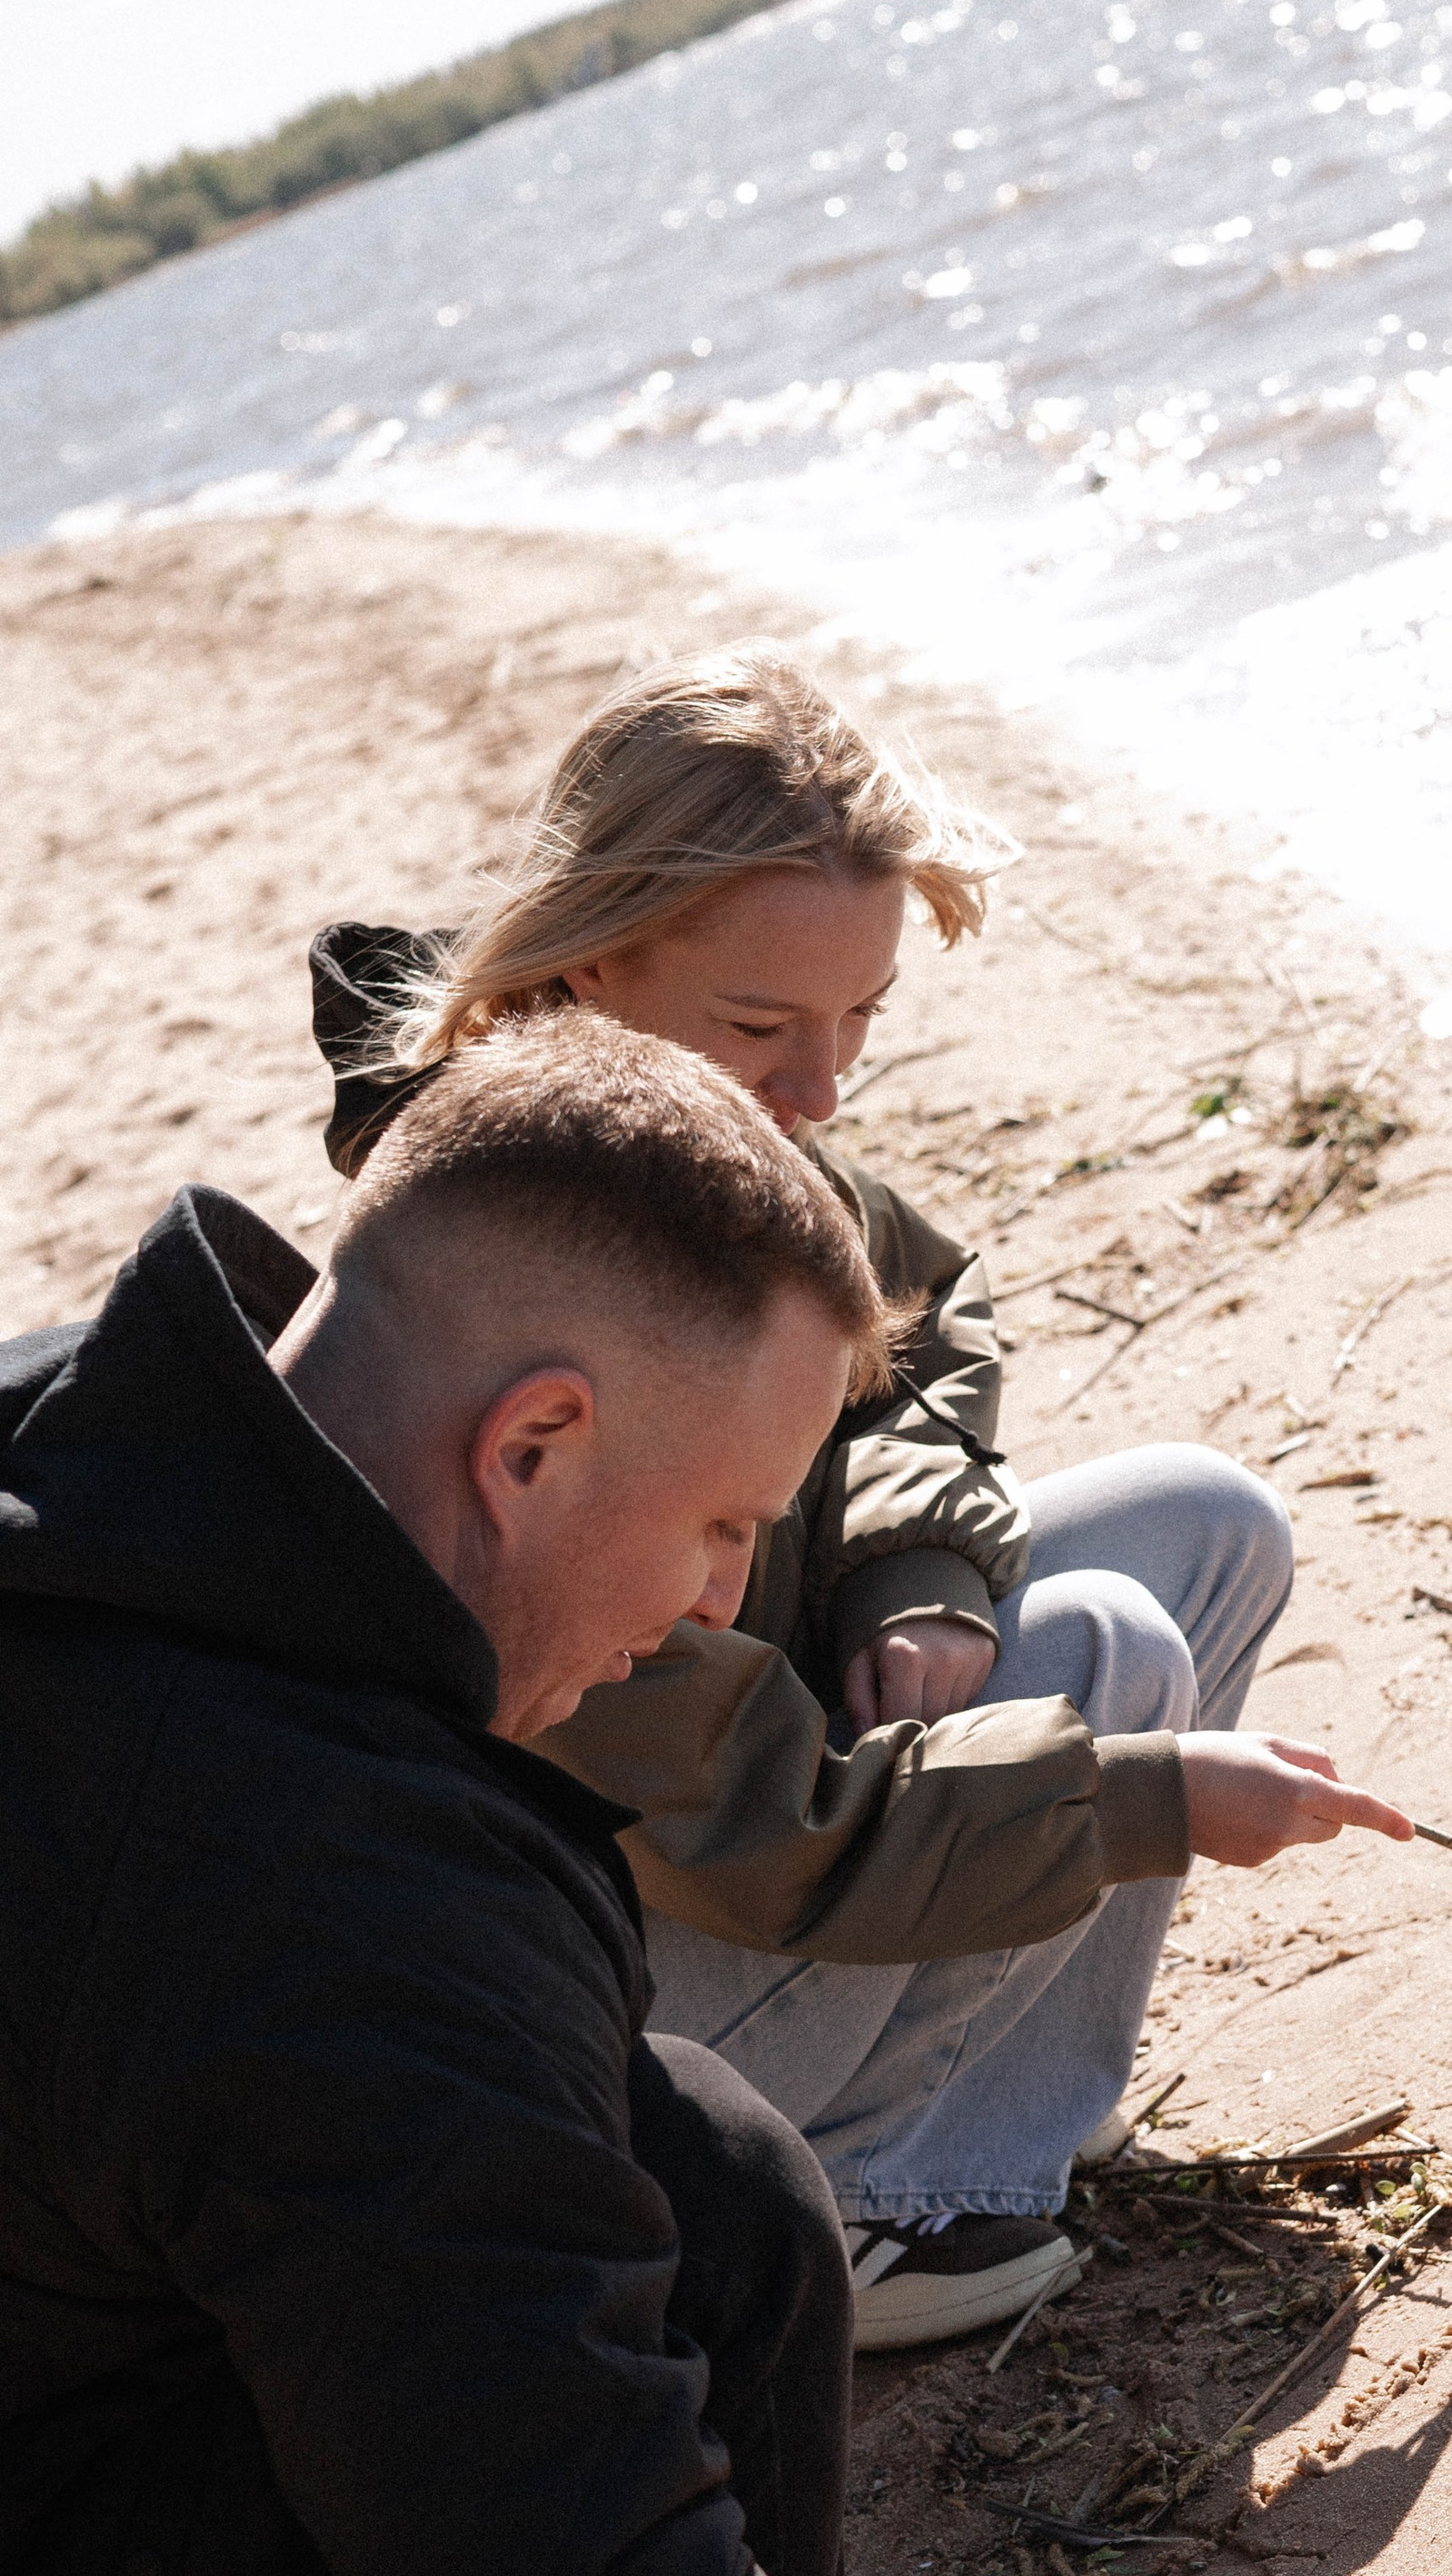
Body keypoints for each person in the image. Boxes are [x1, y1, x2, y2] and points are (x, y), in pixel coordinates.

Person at [0, 1015, 1399, 2576]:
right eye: (728, 1531)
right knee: (719, 2220)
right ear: (535, 1440)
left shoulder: (72, 1444)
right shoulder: (343, 1911)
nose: (707, 1609)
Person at [311, 644, 1329, 2352]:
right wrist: (1146, 1796)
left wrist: (909, 1564)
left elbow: (916, 1325)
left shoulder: (731, 1150)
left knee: (1203, 1520)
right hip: (651, 1967)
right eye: (763, 1027)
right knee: (1105, 1648)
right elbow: (763, 1829)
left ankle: (1020, 2118)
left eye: (859, 1021)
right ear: (581, 965)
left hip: (785, 1767)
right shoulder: (532, 1285)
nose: (820, 1089)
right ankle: (851, 2208)